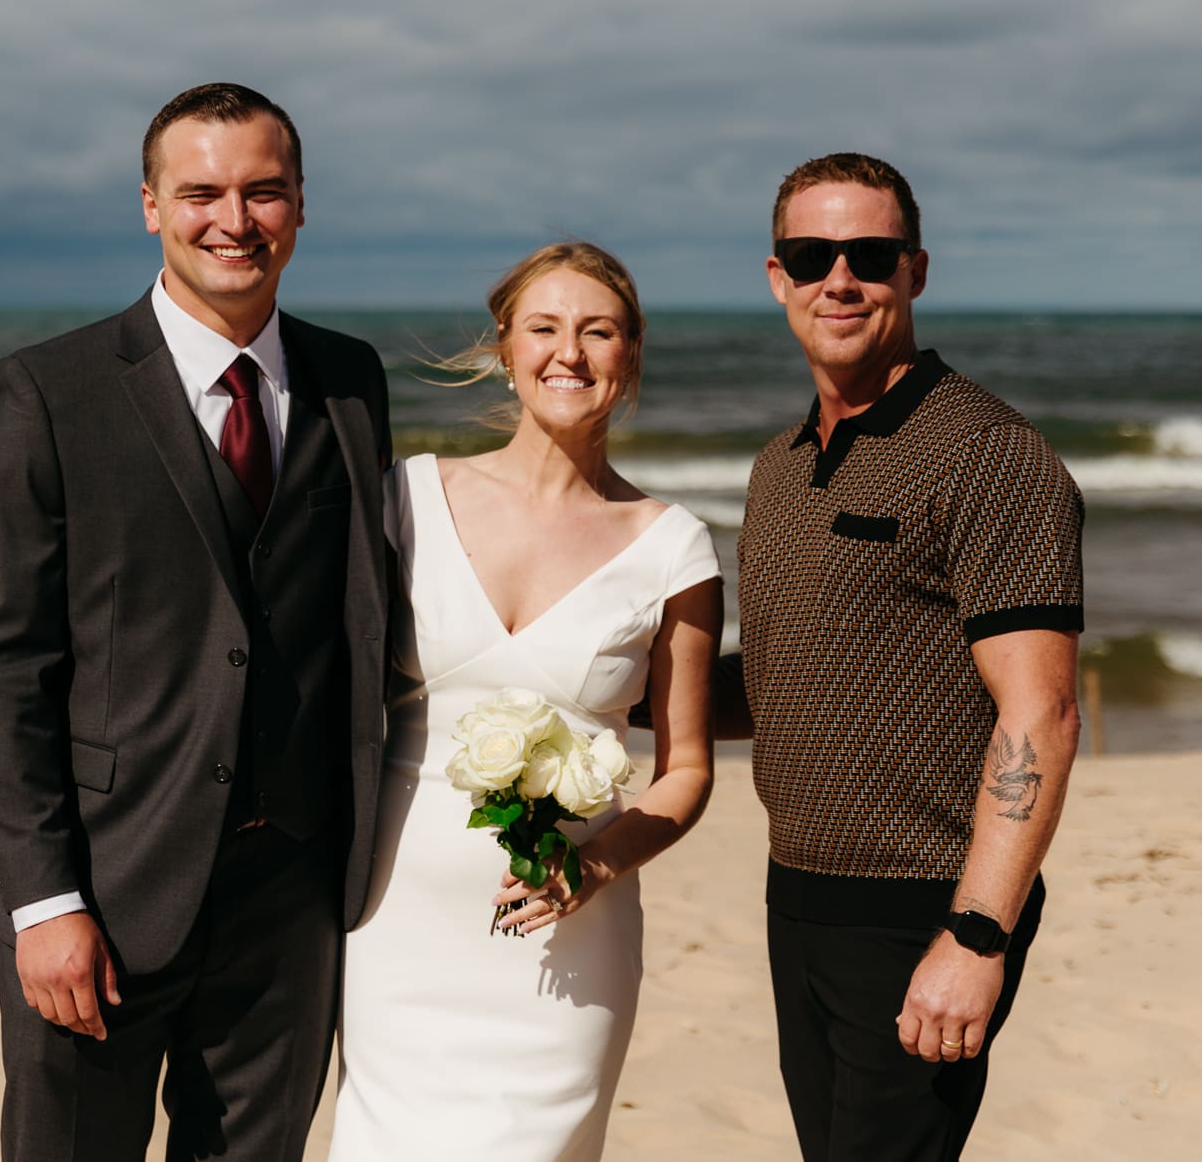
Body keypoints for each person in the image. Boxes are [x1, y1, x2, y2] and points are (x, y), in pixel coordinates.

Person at [0, 82, 392, 1162]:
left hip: (290, 900)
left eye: (263, 192)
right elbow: (4, 665)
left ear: (300, 206)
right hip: (105, 888)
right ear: (148, 205)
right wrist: (42, 899)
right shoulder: (47, 391)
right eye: (200, 192)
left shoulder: (351, 380)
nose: (232, 221)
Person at [722, 153, 1085, 1161]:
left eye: (868, 254)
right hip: (793, 897)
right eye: (810, 254)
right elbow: (785, 682)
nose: (838, 278)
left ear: (914, 271)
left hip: (921, 910)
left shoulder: (986, 454)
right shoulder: (776, 468)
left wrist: (976, 937)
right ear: (775, 277)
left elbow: (1040, 715)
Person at [327, 243, 722, 1161]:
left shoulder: (674, 547)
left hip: (568, 946)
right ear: (505, 346)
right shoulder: (407, 498)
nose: (569, 353)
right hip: (397, 925)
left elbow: (689, 769)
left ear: (629, 355)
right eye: (544, 328)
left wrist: (597, 870)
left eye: (599, 331)